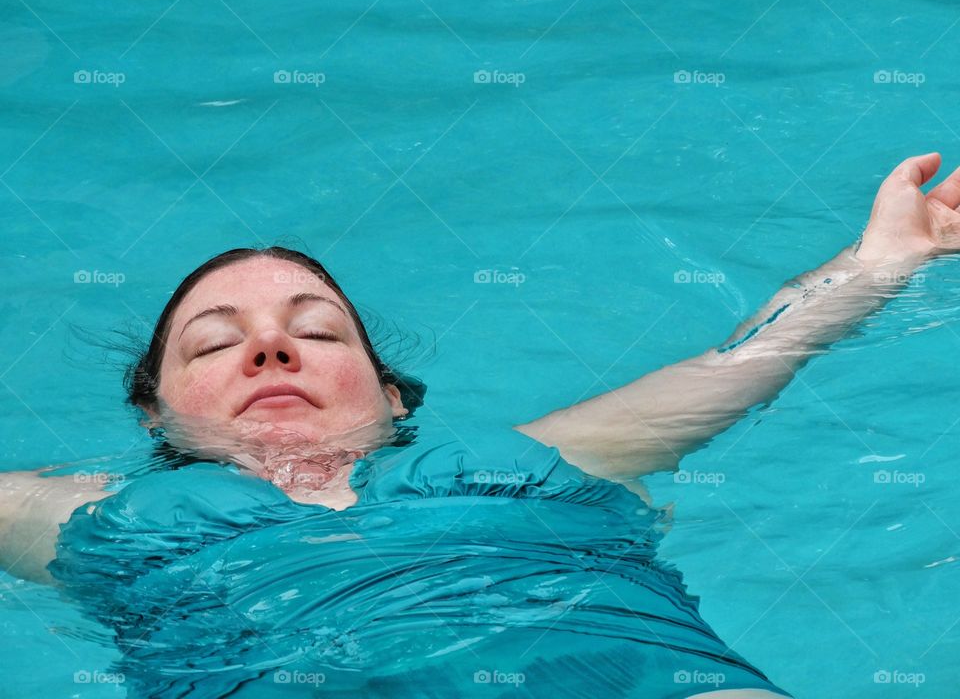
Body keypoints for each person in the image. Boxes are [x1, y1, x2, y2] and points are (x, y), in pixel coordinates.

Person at [1, 152, 958, 698]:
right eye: (216, 343)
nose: (272, 349)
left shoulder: (541, 461)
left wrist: (883, 260)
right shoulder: (88, 521)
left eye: (317, 331)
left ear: (393, 395)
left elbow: (743, 359)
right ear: (154, 411)